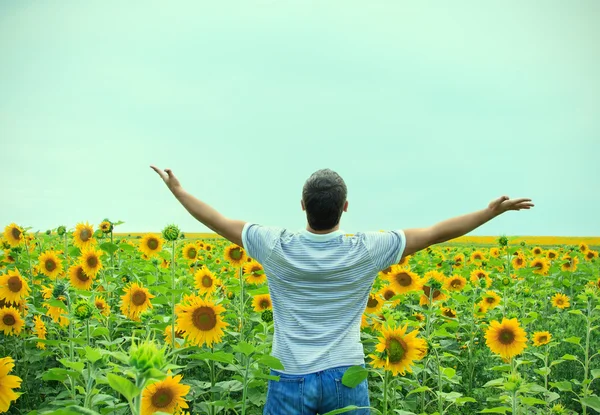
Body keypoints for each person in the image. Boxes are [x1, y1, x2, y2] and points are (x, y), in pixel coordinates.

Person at [150, 166, 534, 415]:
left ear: (302, 206)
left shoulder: (274, 245)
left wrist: (177, 190)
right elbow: (435, 233)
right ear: (345, 207)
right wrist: (490, 213)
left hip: (288, 375)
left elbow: (215, 219)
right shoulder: (367, 249)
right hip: (345, 375)